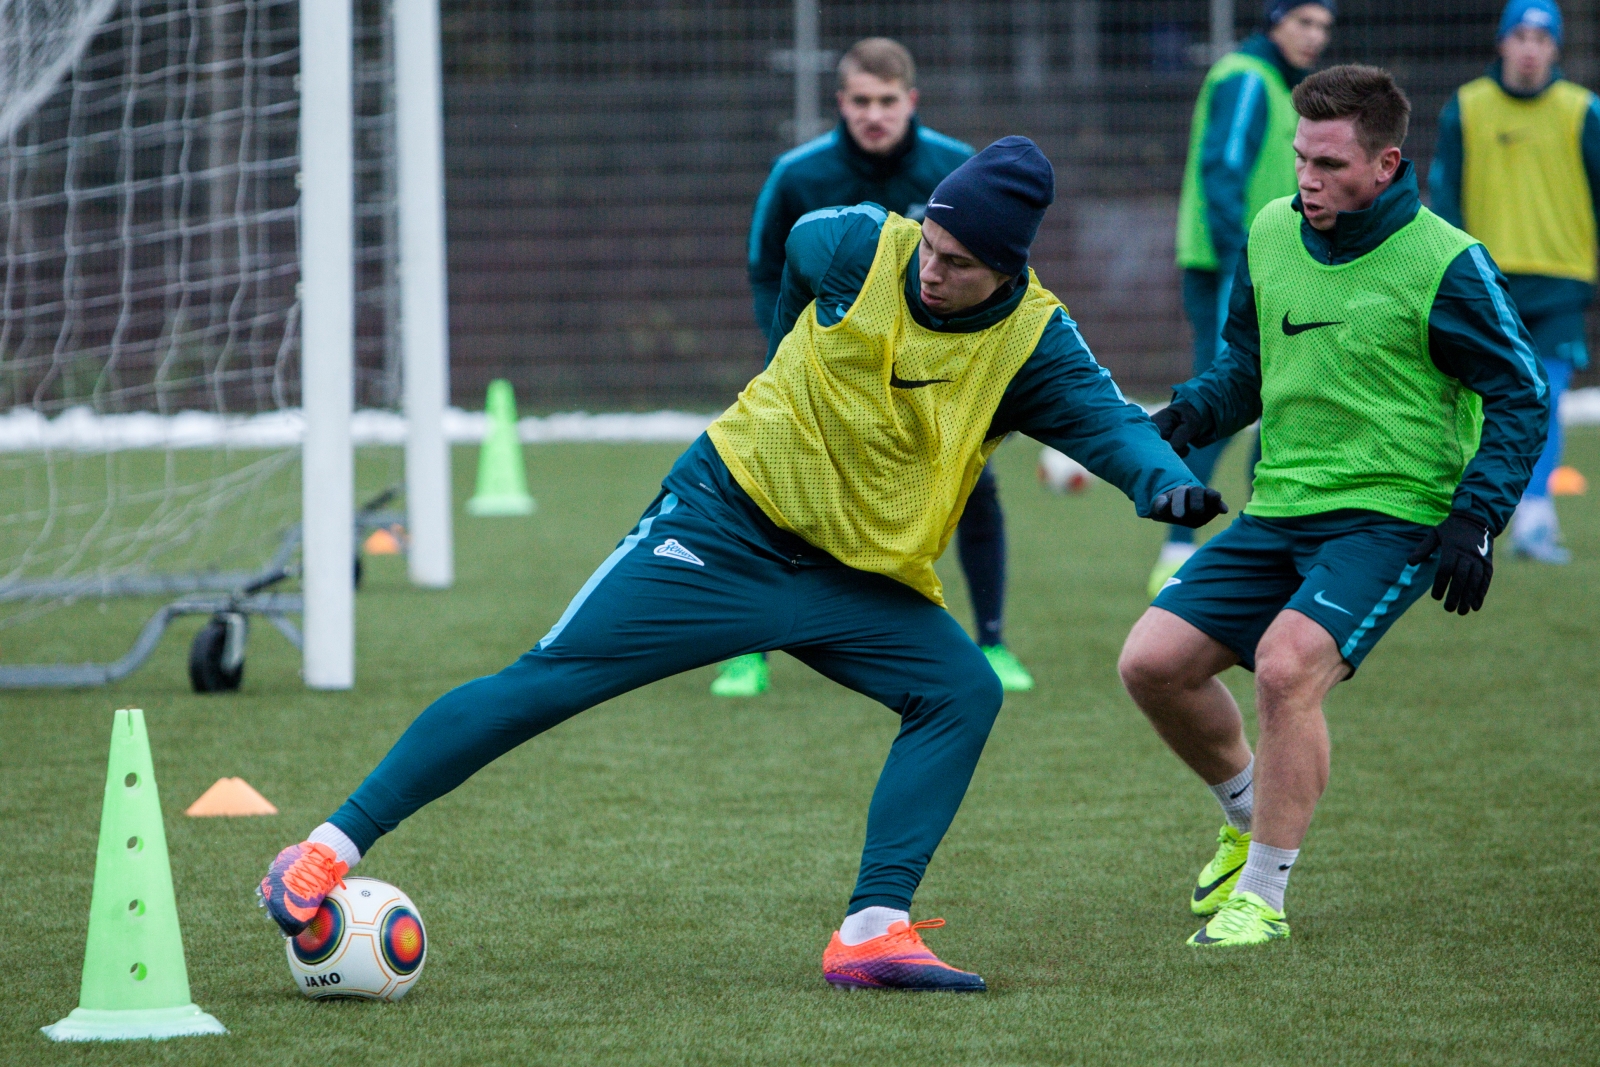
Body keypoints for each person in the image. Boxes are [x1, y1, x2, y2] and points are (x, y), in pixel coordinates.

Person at [259, 138, 1227, 991]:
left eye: (961, 264)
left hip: (859, 580)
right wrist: (787, 356)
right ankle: (323, 847)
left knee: (960, 689)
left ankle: (869, 931)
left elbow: (1106, 424)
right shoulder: (857, 245)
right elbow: (790, 252)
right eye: (931, 246)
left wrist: (1165, 485)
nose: (934, 272)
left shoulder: (1035, 342)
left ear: (1007, 268)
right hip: (723, 529)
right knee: (544, 682)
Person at [1121, 66, 1548, 948]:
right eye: (1299, 159)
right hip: (1281, 505)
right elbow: (1247, 364)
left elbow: (1523, 394)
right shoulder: (1272, 231)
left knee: (1285, 667)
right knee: (1151, 662)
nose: (1306, 180)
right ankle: (1247, 817)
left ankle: (1264, 898)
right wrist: (1188, 415)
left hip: (1393, 515)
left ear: (1386, 164)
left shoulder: (1446, 262)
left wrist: (1475, 517)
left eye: (1328, 164)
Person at [726, 37, 1036, 698]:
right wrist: (788, 355)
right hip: (828, 373)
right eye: (861, 101)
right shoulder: (797, 173)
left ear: (911, 101)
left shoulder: (957, 169)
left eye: (887, 101)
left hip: (935, 375)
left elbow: (1004, 273)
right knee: (778, 492)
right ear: (841, 102)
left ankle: (993, 640)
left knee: (973, 488)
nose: (874, 114)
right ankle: (750, 652)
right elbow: (764, 269)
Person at [1157, 1, 1335, 597]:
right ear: (1274, 21)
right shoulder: (1245, 77)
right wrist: (1248, 259)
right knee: (1224, 389)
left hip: (1273, 267)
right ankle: (1175, 540)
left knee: (1280, 395)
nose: (1315, 37)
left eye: (1323, 27)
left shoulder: (1289, 91)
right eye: (1304, 22)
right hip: (1230, 266)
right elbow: (1223, 170)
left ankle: (1266, 534)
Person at [1431, 0, 1597, 564]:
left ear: (1555, 48)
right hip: (1485, 282)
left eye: (1542, 38)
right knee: (1473, 401)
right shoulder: (1467, 107)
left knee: (1545, 397)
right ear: (1502, 42)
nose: (1530, 48)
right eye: (1520, 35)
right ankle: (1466, 510)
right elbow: (1445, 192)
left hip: (1561, 281)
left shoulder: (1583, 111)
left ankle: (1535, 517)